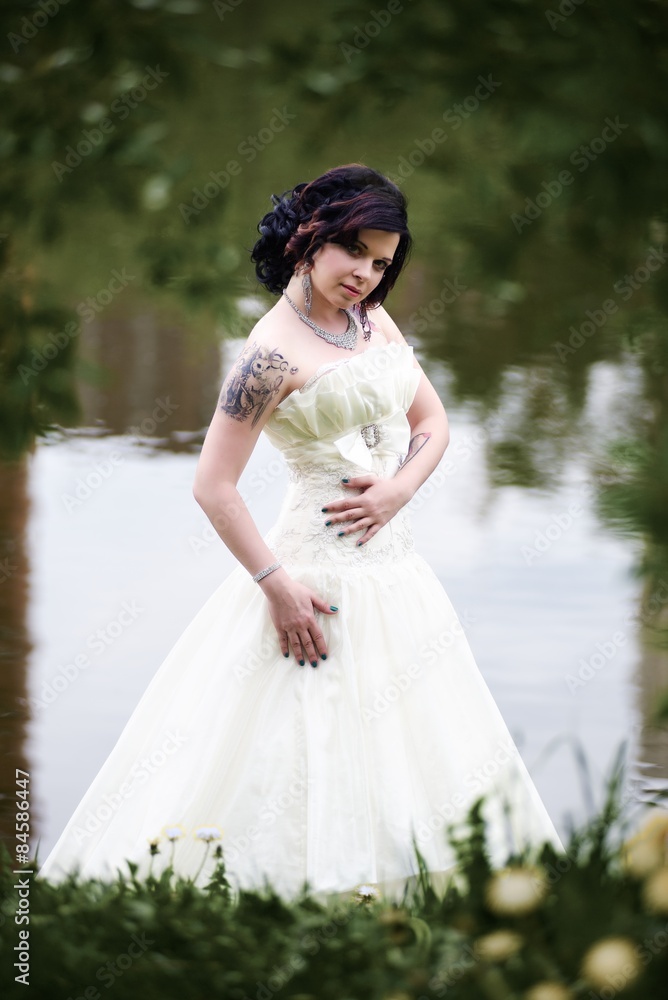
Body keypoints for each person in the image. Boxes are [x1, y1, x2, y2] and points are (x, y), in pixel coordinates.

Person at [38, 163, 563, 903]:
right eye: (357, 254)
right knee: (298, 745)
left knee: (413, 749)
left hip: (397, 572)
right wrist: (276, 586)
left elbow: (433, 422)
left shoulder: (372, 320)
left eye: (384, 262)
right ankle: (283, 905)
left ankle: (391, 915)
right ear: (309, 240)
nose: (368, 276)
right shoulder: (267, 357)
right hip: (310, 579)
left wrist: (397, 492)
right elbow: (212, 486)